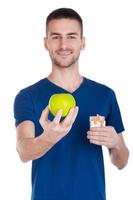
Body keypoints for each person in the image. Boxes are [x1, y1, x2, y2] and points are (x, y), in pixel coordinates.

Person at [14, 8, 129, 200]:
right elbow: (23, 151)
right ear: (46, 43)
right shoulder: (28, 96)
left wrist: (117, 143)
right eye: (56, 36)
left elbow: (121, 162)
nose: (64, 44)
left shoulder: (105, 95)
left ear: (83, 42)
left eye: (72, 36)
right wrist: (49, 137)